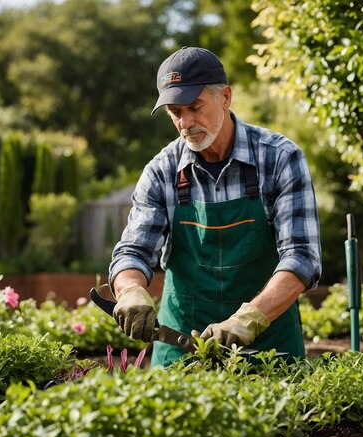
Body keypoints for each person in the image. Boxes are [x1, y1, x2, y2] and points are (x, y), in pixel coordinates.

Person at [108, 46, 321, 368]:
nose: (186, 123)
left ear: (225, 98)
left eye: (195, 107)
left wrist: (249, 319)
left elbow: (302, 257)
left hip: (267, 346)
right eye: (175, 113)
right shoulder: (161, 171)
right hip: (181, 346)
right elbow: (133, 250)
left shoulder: (279, 158)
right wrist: (130, 289)